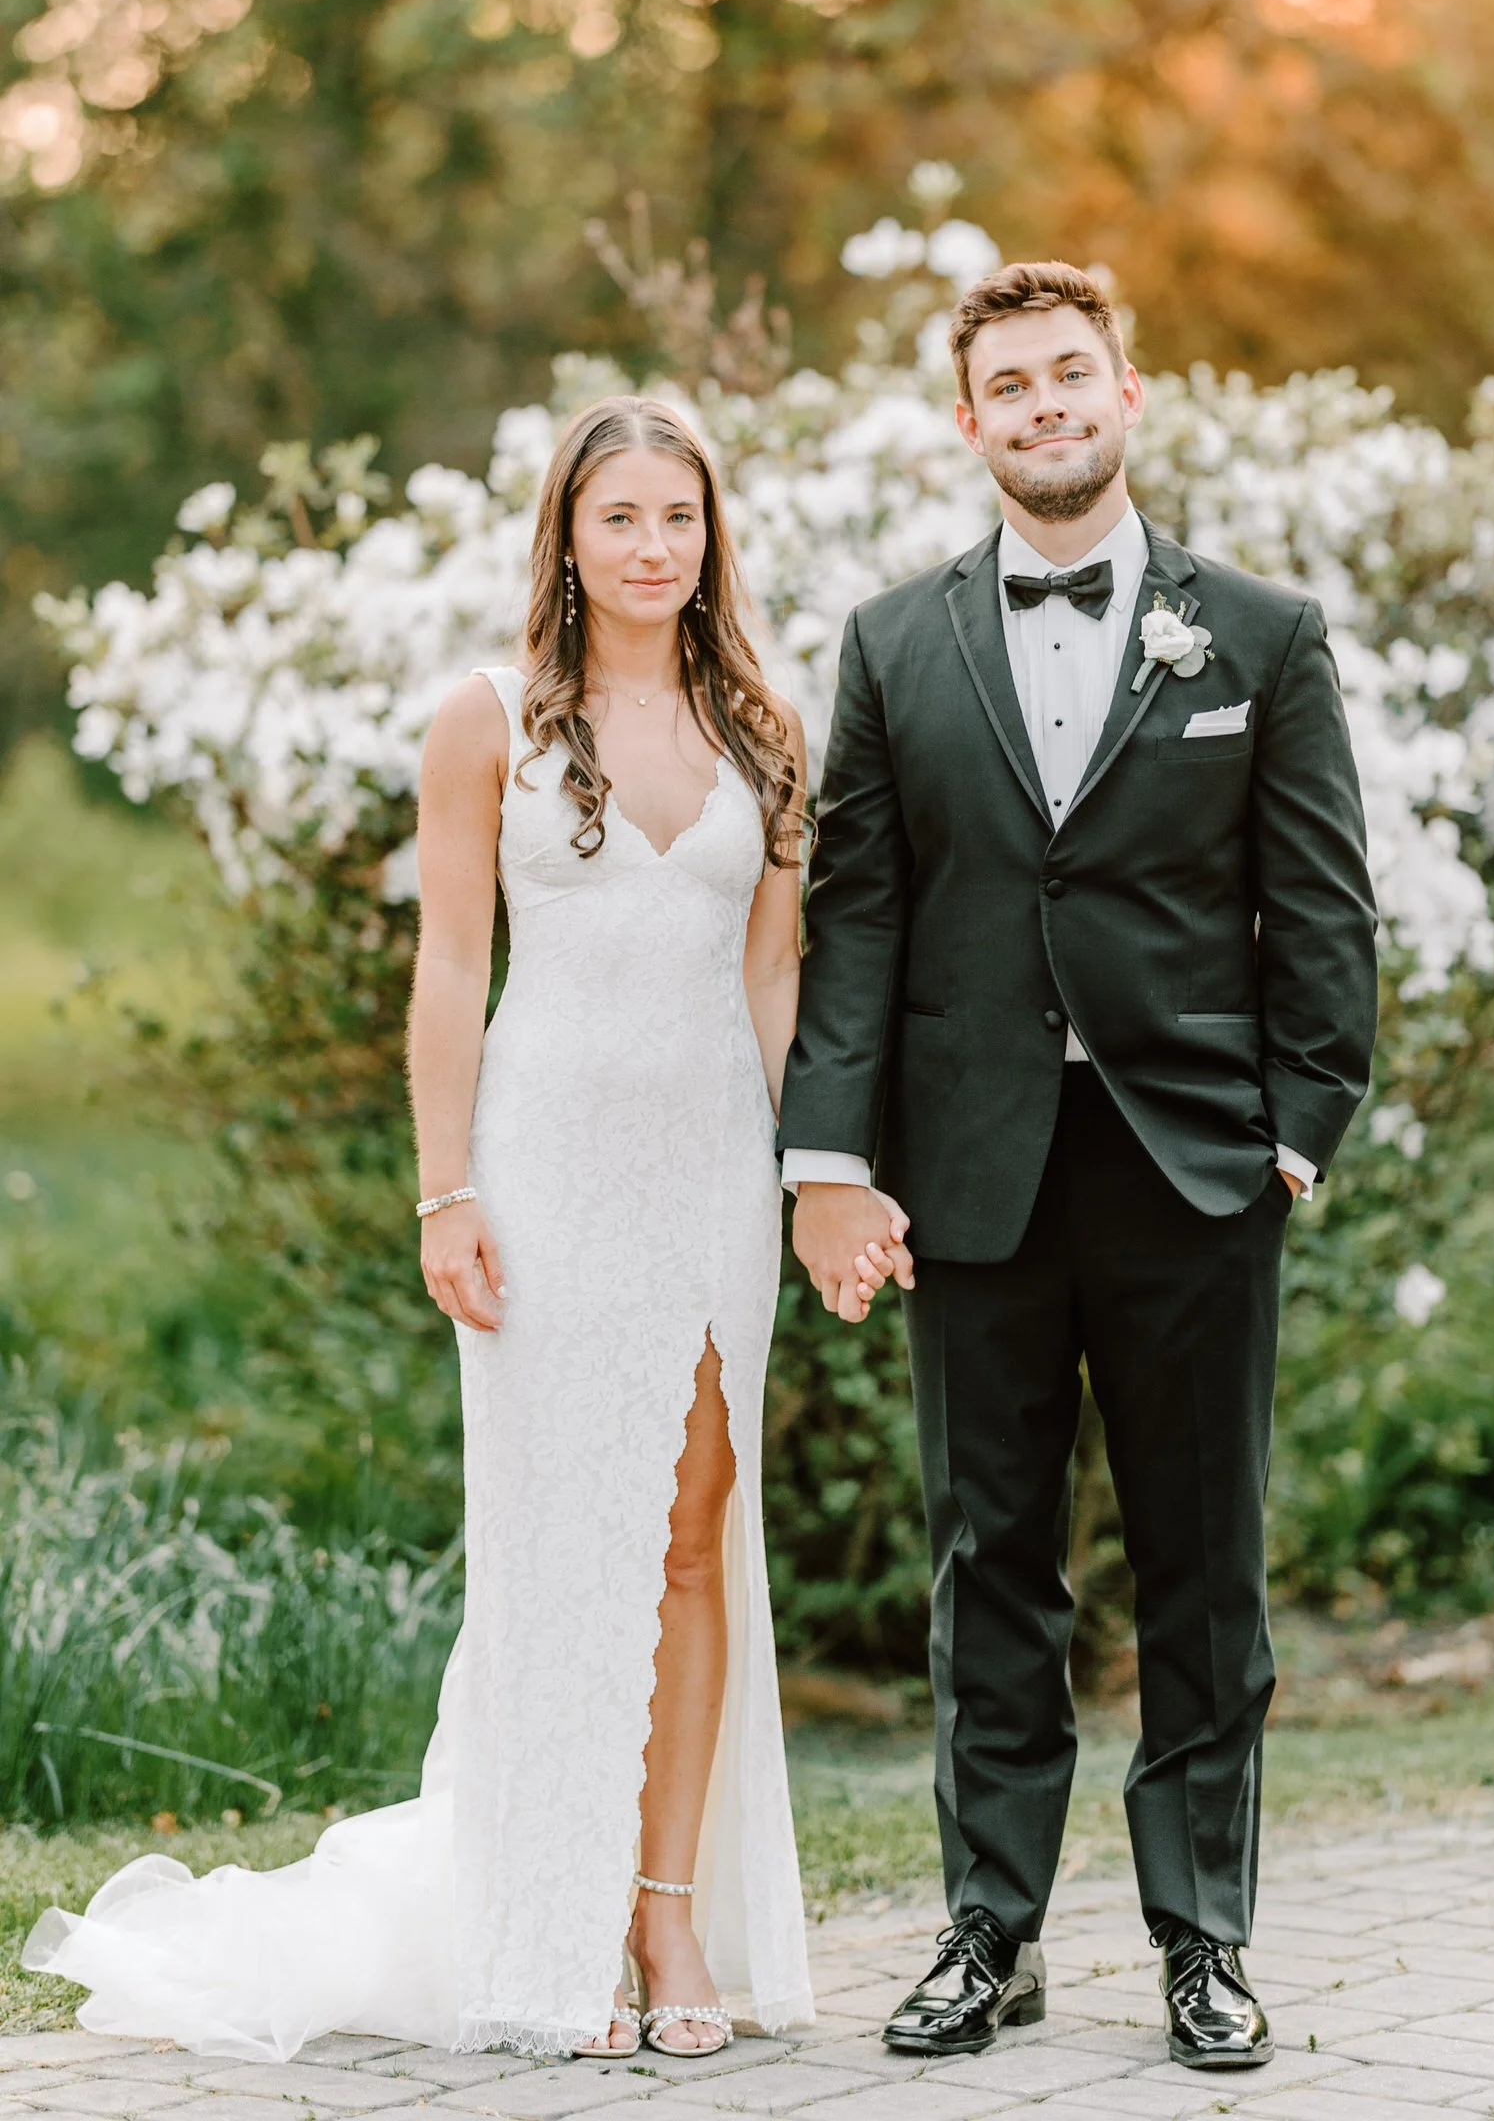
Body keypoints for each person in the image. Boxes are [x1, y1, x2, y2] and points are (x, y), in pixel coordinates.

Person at [27, 394, 817, 2063]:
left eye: (679, 517)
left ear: (711, 536)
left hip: (708, 1175)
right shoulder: (488, 723)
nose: (652, 545)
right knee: (552, 1550)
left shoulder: (765, 730)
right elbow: (451, 966)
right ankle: (554, 1920)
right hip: (539, 1169)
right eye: (620, 517)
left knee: (690, 1541)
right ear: (569, 534)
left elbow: (774, 976)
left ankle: (669, 1932)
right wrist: (443, 1188)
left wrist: (813, 1171)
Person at [779, 263, 1378, 2070]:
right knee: (991, 1562)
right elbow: (858, 916)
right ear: (968, 427)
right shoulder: (893, 644)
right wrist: (828, 1157)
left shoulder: (1258, 637)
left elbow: (1323, 905)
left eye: (1070, 376)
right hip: (969, 1176)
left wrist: (1296, 1133)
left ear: (1129, 392)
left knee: (1206, 1566)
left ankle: (1204, 1939)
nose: (1044, 409)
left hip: (1193, 1166)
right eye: (1007, 390)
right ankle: (992, 1928)